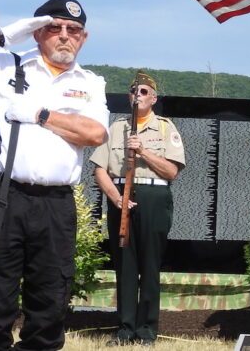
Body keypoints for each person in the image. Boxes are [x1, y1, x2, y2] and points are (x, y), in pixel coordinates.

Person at [0, 0, 109, 351]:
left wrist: (40, 114)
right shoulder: (6, 67)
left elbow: (94, 134)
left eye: (74, 30)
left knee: (51, 300)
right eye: (54, 27)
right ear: (36, 33)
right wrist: (1, 36)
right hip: (7, 198)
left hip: (56, 203)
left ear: (84, 37)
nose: (65, 36)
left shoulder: (90, 82)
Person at [90, 71, 185, 346]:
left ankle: (146, 330)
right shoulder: (116, 127)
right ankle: (125, 327)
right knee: (125, 265)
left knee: (150, 264)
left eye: (144, 92)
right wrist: (116, 198)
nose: (138, 95)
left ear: (153, 98)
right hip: (121, 195)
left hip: (154, 195)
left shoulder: (166, 128)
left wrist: (143, 151)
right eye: (134, 91)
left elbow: (171, 171)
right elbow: (100, 170)